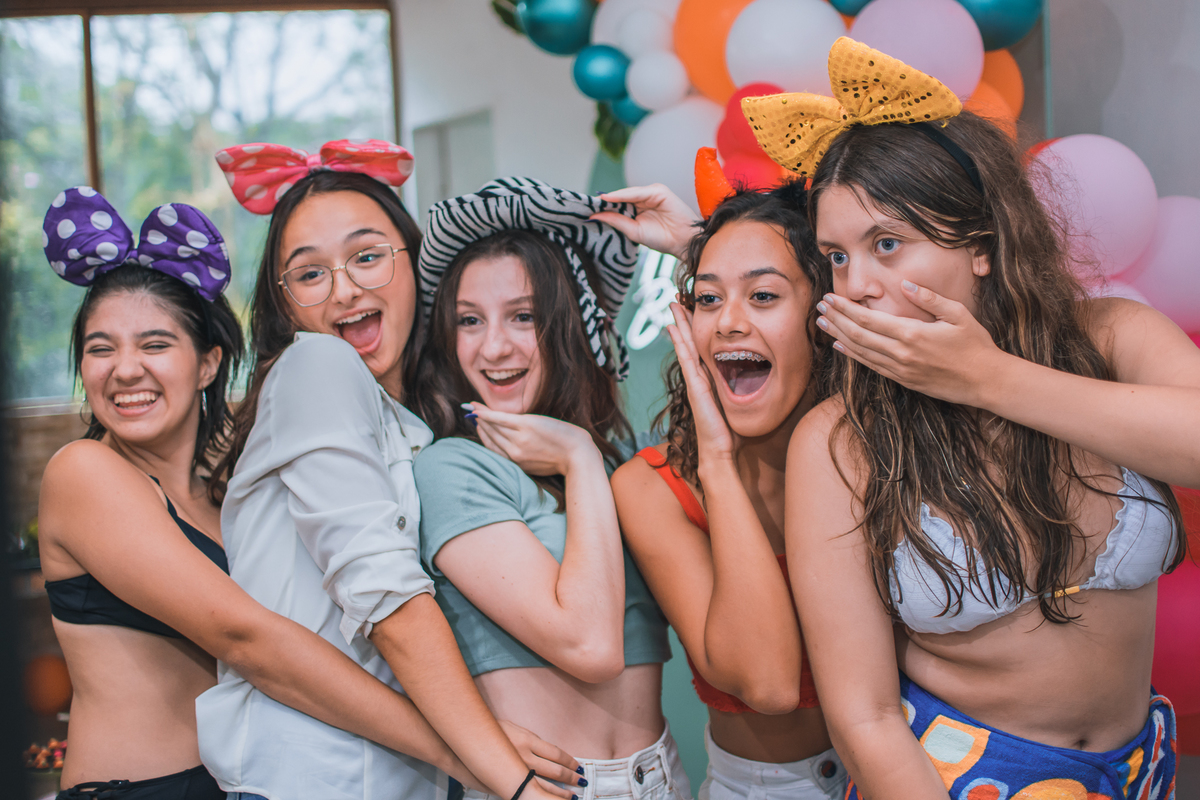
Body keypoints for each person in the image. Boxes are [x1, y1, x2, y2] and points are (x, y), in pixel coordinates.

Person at [748, 38, 1197, 799]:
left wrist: (990, 379)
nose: (855, 286)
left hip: (1139, 768)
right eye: (837, 258)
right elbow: (865, 717)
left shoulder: (1113, 337)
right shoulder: (839, 440)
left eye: (887, 244)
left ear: (982, 242)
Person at [37, 188, 491, 800]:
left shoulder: (226, 489)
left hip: (238, 778)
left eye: (154, 344)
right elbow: (249, 640)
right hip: (139, 788)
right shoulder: (84, 473)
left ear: (207, 364)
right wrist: (463, 749)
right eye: (100, 349)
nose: (124, 370)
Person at [200, 143, 577, 800]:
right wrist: (506, 774)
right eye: (310, 274)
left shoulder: (420, 424)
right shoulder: (318, 367)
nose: (346, 288)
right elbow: (386, 596)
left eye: (368, 256)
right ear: (286, 307)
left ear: (414, 264)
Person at [409, 178, 687, 800]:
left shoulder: (618, 460)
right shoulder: (454, 467)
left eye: (523, 316)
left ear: (572, 325)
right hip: (549, 789)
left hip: (660, 776)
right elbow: (589, 646)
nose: (494, 347)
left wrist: (691, 246)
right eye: (469, 321)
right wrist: (579, 457)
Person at [604, 183, 848, 800]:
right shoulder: (652, 487)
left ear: (825, 315)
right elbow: (767, 685)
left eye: (763, 295)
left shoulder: (878, 448)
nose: (730, 321)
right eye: (708, 299)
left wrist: (711, 242)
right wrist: (714, 459)